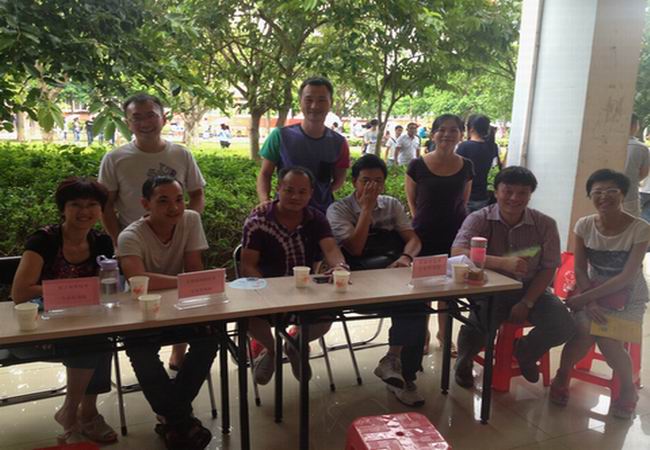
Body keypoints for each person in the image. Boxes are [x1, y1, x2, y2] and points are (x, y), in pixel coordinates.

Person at [99, 93, 206, 370]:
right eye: (137, 117)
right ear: (127, 123)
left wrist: (186, 223)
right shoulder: (115, 158)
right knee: (143, 306)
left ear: (163, 119)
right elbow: (106, 205)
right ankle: (148, 359)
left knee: (185, 297)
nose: (145, 122)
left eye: (151, 115)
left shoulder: (180, 153)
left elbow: (196, 193)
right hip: (136, 245)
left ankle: (178, 352)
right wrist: (118, 239)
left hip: (176, 239)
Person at [10, 177, 117, 444]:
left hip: (80, 321)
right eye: (75, 205)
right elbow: (20, 293)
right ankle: (76, 415)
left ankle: (82, 413)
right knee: (93, 343)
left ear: (101, 209)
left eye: (92, 205)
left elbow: (106, 289)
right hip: (37, 328)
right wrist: (70, 289)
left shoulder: (102, 242)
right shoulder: (44, 241)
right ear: (63, 209)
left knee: (100, 337)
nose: (84, 211)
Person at [451, 166, 575, 388]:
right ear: (496, 191)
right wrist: (501, 263)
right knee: (480, 323)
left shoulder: (545, 224)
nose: (514, 198)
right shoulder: (479, 219)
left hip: (530, 288)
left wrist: (527, 302)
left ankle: (525, 351)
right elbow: (458, 252)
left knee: (564, 324)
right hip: (488, 288)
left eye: (522, 193)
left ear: (530, 195)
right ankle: (464, 361)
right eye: (508, 191)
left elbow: (549, 268)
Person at [117, 176, 217, 450]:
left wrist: (191, 285)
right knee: (139, 348)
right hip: (141, 311)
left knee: (210, 336)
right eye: (163, 201)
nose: (174, 207)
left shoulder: (190, 220)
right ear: (145, 204)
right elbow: (137, 280)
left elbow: (194, 267)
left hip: (179, 307)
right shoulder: (130, 236)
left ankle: (173, 419)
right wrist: (185, 283)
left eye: (179, 199)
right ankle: (181, 419)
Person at [327, 154, 426, 406]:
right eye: (366, 181)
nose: (372, 186)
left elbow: (413, 240)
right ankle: (396, 365)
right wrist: (367, 210)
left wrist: (405, 258)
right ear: (354, 182)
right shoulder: (338, 210)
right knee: (408, 305)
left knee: (418, 304)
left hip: (391, 273)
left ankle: (401, 370)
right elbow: (355, 248)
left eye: (378, 181)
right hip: (359, 281)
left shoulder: (392, 204)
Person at [551, 169, 648, 418]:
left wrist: (585, 300)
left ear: (623, 194)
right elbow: (580, 268)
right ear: (590, 196)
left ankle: (628, 389)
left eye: (612, 191)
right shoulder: (584, 225)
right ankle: (562, 375)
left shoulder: (640, 228)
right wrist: (590, 299)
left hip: (628, 296)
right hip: (591, 287)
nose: (604, 196)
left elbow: (627, 276)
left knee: (607, 339)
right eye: (598, 192)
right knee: (583, 331)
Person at [242, 167, 349, 385]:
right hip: (266, 291)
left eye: (302, 192)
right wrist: (266, 292)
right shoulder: (258, 221)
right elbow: (247, 265)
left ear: (310, 194)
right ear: (278, 188)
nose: (295, 197)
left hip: (304, 291)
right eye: (289, 190)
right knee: (247, 315)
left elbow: (330, 249)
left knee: (329, 312)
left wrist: (339, 266)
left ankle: (295, 345)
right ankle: (271, 350)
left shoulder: (316, 219)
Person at [405, 114, 473, 354]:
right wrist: (421, 223)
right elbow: (412, 201)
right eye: (442, 129)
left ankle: (444, 335)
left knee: (449, 288)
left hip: (455, 235)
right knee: (424, 287)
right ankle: (422, 335)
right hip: (424, 234)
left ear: (461, 135)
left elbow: (463, 201)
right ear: (433, 134)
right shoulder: (417, 165)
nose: (447, 134)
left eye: (453, 130)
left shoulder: (466, 165)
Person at [256, 76, 350, 213]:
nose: (314, 106)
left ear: (331, 102)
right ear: (300, 101)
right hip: (284, 213)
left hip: (322, 215)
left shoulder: (339, 143)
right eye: (309, 99)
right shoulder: (279, 136)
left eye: (321, 100)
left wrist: (321, 193)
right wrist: (265, 201)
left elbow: (339, 179)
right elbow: (265, 174)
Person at [457, 114, 502, 212]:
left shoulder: (464, 146)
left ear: (471, 128)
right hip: (483, 195)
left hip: (466, 195)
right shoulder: (492, 146)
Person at [623, 113, 649, 217]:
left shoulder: (606, 144)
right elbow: (644, 173)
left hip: (605, 193)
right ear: (634, 126)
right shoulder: (641, 148)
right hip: (630, 194)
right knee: (631, 223)